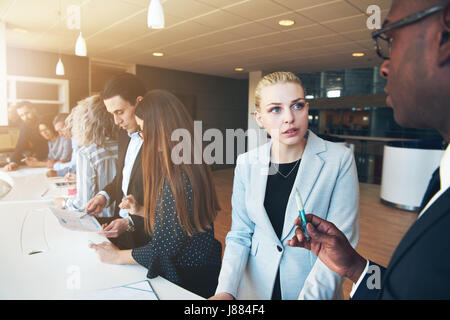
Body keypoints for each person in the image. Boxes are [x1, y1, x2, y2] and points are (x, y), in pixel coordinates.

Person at [287, 0, 450, 299]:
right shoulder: (442, 179)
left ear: (445, 35)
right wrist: (356, 267)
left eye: (391, 39)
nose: (384, 67)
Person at [211, 72, 359, 300]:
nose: (289, 117)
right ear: (259, 118)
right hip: (255, 290)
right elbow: (240, 234)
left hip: (311, 288)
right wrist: (225, 291)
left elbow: (340, 243)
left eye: (297, 106)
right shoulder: (247, 163)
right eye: (276, 109)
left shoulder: (338, 160)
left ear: (307, 108)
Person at [89, 89, 223, 298]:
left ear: (162, 126)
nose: (143, 137)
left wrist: (116, 256)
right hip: (197, 269)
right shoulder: (185, 160)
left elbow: (163, 249)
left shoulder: (178, 175)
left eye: (143, 130)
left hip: (187, 280)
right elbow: (179, 224)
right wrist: (141, 210)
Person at [84, 73, 148, 249]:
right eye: (112, 114)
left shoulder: (160, 145)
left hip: (145, 237)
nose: (117, 121)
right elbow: (122, 177)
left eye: (120, 112)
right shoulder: (124, 135)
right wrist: (103, 196)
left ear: (139, 103)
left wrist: (129, 222)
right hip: (119, 227)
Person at [54, 95, 118, 217]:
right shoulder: (124, 145)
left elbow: (83, 204)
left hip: (100, 221)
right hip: (123, 220)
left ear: (83, 121)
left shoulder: (86, 153)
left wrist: (63, 202)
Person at [3, 101, 48, 171]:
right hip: (39, 162)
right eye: (21, 115)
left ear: (34, 110)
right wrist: (13, 162)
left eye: (27, 113)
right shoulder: (25, 125)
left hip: (51, 159)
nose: (25, 117)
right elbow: (20, 145)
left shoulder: (46, 121)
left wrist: (38, 159)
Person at [46, 113, 79, 178]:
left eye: (61, 130)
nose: (60, 134)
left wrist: (57, 171)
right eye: (58, 131)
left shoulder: (78, 139)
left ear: (70, 125)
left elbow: (76, 166)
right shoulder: (73, 139)